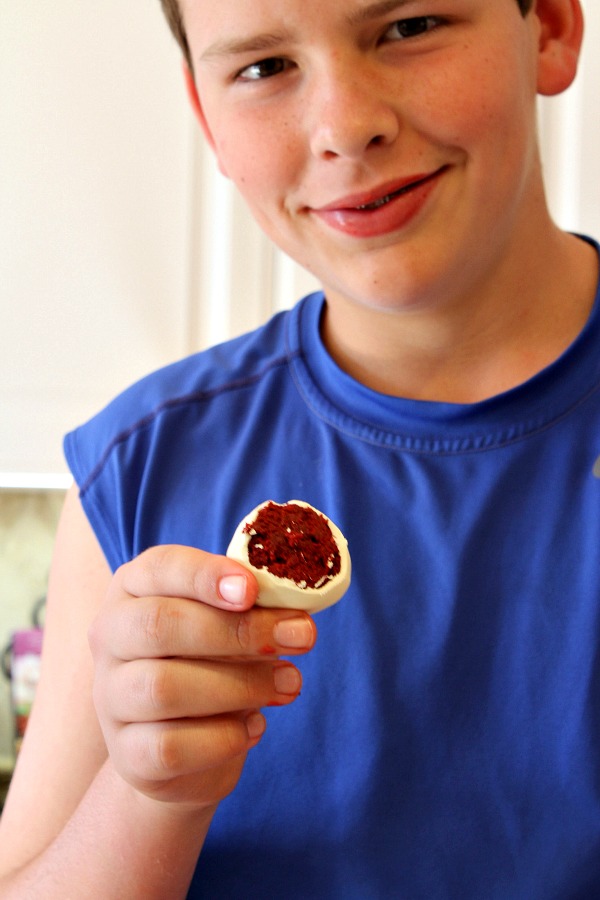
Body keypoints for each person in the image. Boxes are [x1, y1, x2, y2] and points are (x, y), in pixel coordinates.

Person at [0, 0, 598, 896]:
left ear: (548, 28)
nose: (346, 126)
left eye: (409, 26)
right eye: (263, 68)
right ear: (207, 120)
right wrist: (147, 792)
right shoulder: (141, 472)